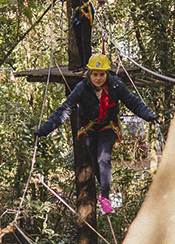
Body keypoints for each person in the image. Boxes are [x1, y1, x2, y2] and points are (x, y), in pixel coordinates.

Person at [34, 54, 158, 214]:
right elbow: (64, 110)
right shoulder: (81, 88)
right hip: (88, 128)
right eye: (95, 74)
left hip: (108, 126)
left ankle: (105, 197)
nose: (98, 78)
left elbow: (133, 102)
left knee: (103, 159)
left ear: (107, 74)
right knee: (96, 162)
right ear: (89, 74)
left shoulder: (115, 86)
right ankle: (103, 194)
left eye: (102, 74)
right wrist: (45, 130)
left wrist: (149, 116)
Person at [58, 0, 104, 70]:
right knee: (78, 39)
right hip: (76, 14)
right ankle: (82, 64)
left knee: (85, 38)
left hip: (86, 11)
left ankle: (88, 64)